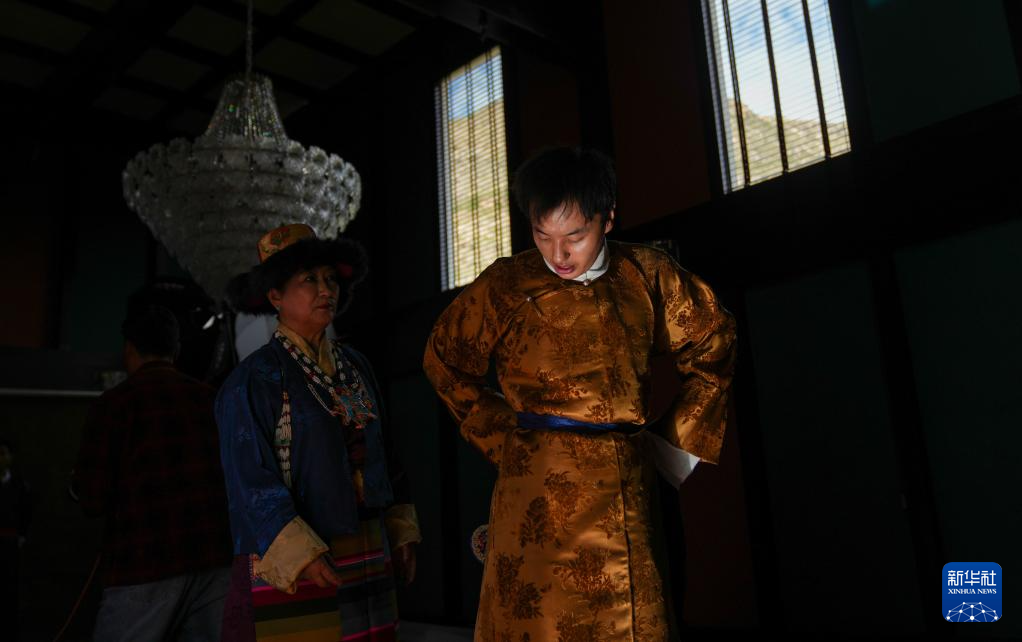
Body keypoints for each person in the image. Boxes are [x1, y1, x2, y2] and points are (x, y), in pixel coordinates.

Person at [423, 147, 737, 641]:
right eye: (542, 235)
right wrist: (506, 441)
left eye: (575, 236)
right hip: (535, 493)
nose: (558, 255)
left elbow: (714, 341)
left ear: (607, 218)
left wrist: (673, 446)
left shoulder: (648, 275)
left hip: (624, 483)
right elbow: (444, 362)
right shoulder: (506, 284)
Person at [217, 224, 421, 642]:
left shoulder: (357, 366)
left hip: (368, 541)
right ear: (275, 296)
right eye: (309, 279)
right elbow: (249, 480)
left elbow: (385, 452)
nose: (326, 289)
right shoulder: (254, 379)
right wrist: (300, 553)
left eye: (330, 278)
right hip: (302, 548)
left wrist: (400, 531)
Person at [74, 305, 233, 641]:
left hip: (145, 561)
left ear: (129, 349)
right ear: (176, 350)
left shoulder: (114, 405)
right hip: (215, 557)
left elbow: (92, 497)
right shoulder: (210, 399)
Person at [0, 438, 32, 640]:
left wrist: (21, 536)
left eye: (3, 453)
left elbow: (25, 511)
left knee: (10, 588)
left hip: (10, 544)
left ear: (11, 457)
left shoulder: (19, 484)